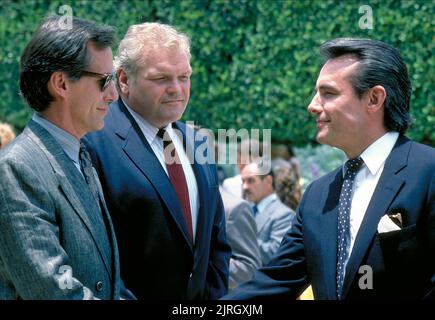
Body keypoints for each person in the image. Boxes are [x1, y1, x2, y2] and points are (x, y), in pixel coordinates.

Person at [224, 38, 435, 300]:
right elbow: (275, 282)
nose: (312, 105)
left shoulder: (428, 172)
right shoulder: (317, 195)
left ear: (374, 98)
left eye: (328, 93)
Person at [84, 22, 231, 300]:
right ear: (124, 80)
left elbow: (215, 245)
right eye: (161, 78)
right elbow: (93, 258)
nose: (177, 89)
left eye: (184, 77)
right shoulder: (93, 142)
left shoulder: (198, 142)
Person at [0, 16, 134, 299]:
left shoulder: (80, 156)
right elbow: (50, 289)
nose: (113, 95)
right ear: (61, 83)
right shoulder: (15, 168)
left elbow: (110, 282)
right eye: (105, 80)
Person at [241, 161, 295, 265]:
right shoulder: (247, 210)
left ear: (268, 181)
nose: (245, 187)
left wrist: (239, 237)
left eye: (251, 180)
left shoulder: (284, 215)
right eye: (243, 181)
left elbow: (275, 254)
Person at [220, 186, 261, 291]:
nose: (245, 186)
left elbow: (249, 268)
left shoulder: (234, 207)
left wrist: (202, 264)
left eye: (251, 181)